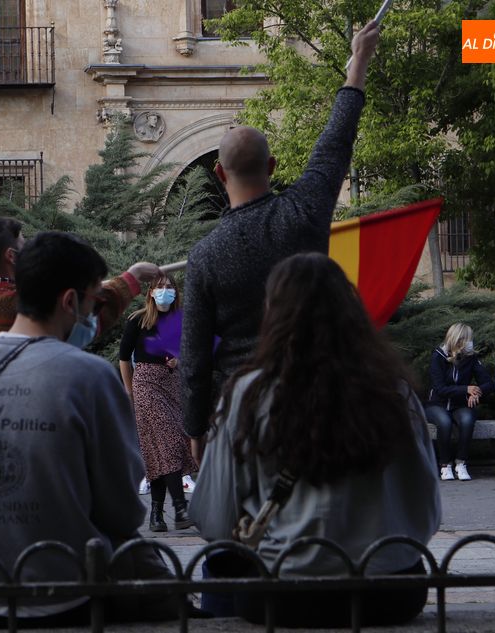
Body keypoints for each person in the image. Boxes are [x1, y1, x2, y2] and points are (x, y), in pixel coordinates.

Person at [0, 231, 176, 629]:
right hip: (64, 596)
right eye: (95, 301)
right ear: (69, 301)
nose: (95, 314)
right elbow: (122, 508)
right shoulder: (89, 376)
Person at [190, 252, 441, 627]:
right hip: (389, 590)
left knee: (219, 566)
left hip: (285, 591)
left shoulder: (248, 393)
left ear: (273, 313)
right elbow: (427, 509)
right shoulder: (395, 392)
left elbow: (212, 517)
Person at [180, 20, 381, 458]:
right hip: (319, 406)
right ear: (271, 167)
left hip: (244, 419)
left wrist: (194, 429)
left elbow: (194, 360)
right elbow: (336, 142)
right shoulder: (303, 214)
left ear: (218, 173)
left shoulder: (204, 257)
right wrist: (358, 62)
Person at [0, 216, 160, 355]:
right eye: (24, 243)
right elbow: (83, 328)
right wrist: (132, 278)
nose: (29, 248)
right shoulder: (23, 299)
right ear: (11, 256)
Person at [119, 274, 197, 532]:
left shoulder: (180, 319)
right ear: (150, 292)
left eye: (170, 287)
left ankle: (156, 514)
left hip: (171, 385)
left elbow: (189, 351)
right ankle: (180, 507)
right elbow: (123, 357)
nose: (165, 291)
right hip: (145, 383)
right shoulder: (138, 319)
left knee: (159, 449)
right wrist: (129, 391)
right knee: (169, 441)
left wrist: (178, 359)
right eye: (160, 287)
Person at [425, 323, 494, 481]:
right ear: (457, 339)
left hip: (460, 404)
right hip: (437, 404)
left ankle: (461, 463)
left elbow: (488, 383)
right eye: (467, 339)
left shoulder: (471, 357)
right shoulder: (438, 356)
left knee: (468, 419)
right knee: (444, 422)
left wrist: (477, 392)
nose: (470, 342)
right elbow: (440, 388)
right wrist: (466, 389)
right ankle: (445, 465)